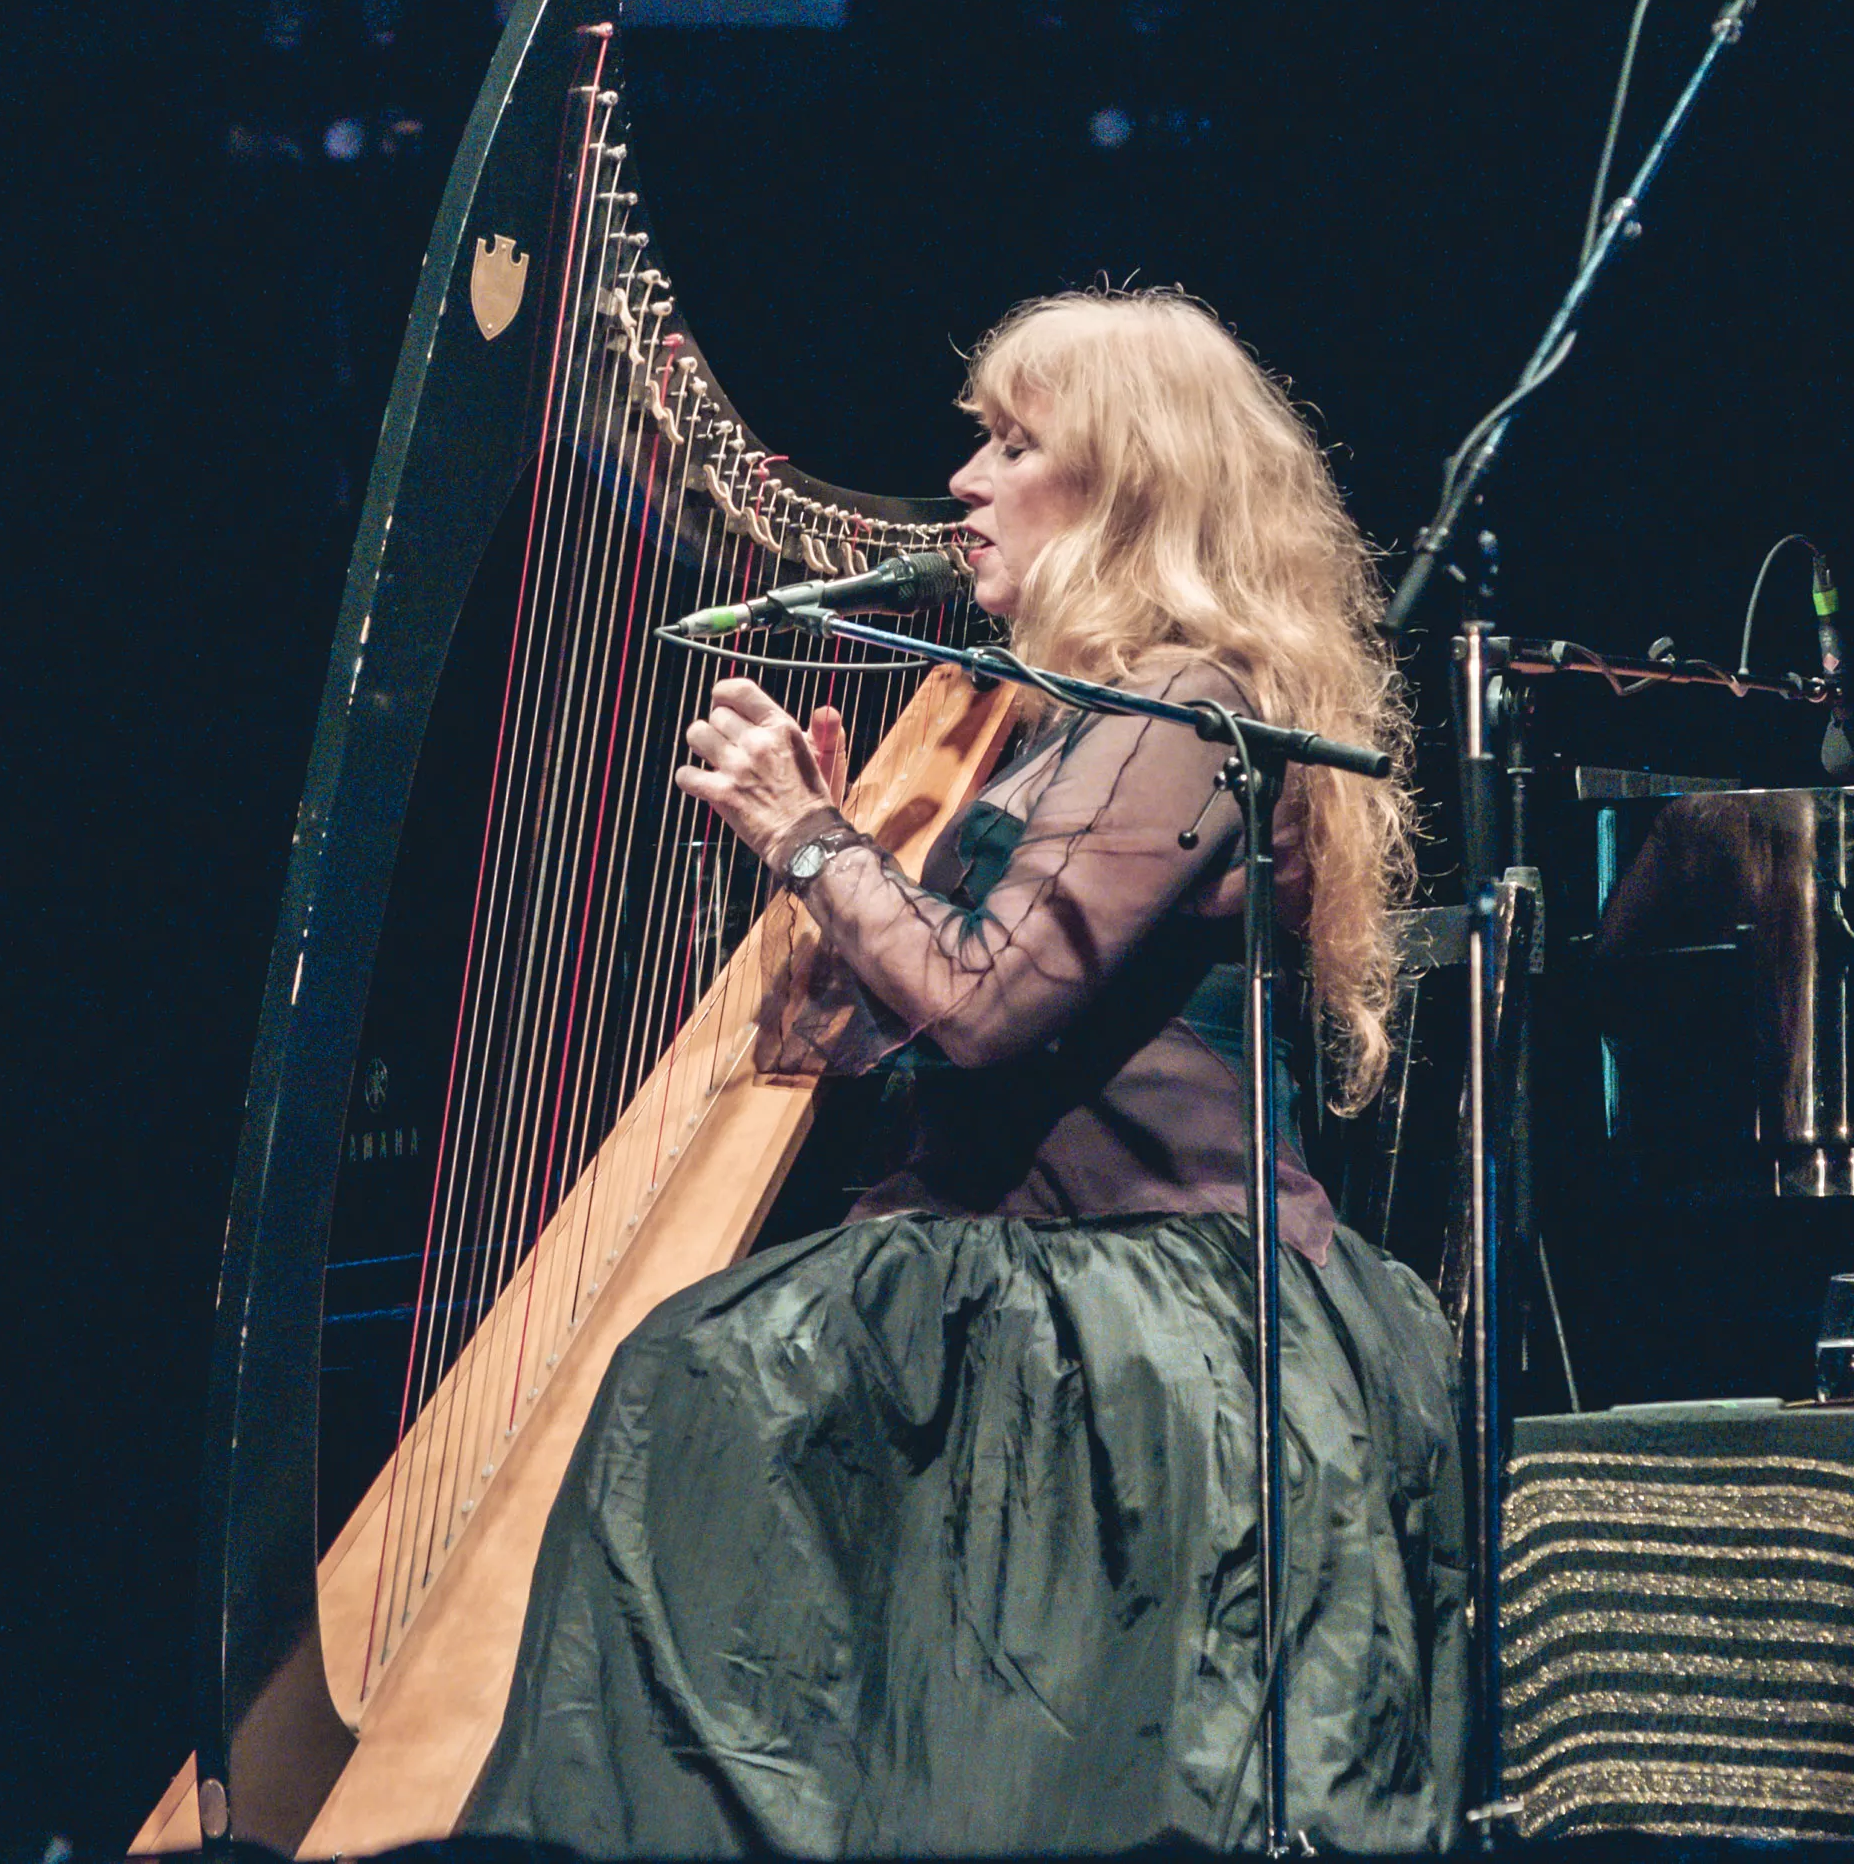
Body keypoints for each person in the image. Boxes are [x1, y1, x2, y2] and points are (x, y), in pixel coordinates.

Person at [461, 290, 1464, 1855]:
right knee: (707, 1370)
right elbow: (928, 1028)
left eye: (1012, 444)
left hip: (1157, 1300)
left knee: (706, 1372)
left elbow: (985, 1005)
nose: (966, 483)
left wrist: (811, 836)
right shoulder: (1066, 729)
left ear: (1126, 484)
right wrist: (832, 876)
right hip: (1019, 1264)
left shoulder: (1189, 709)